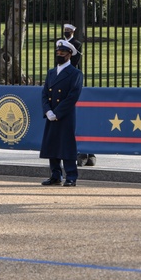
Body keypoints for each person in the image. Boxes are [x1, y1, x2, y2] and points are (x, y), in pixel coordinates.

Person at [40, 39, 84, 187]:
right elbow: (45, 94)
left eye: (63, 53)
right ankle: (55, 174)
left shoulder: (75, 73)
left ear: (69, 54)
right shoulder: (51, 72)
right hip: (51, 114)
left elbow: (72, 96)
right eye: (58, 52)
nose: (59, 55)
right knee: (52, 144)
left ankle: (71, 175)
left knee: (67, 144)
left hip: (65, 115)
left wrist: (57, 113)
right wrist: (47, 111)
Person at [64, 23, 96, 168]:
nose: (66, 32)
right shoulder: (61, 43)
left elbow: (76, 61)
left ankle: (86, 152)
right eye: (66, 30)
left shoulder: (76, 44)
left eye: (69, 31)